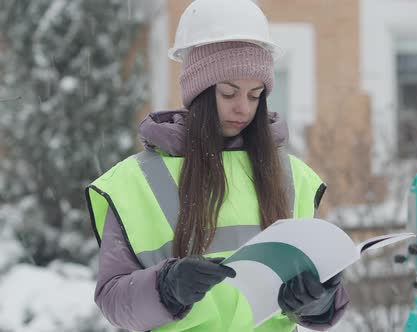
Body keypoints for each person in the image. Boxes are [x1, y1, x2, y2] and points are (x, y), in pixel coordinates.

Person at [84, 0, 350, 331]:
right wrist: (166, 288)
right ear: (199, 92)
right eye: (228, 93)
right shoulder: (131, 182)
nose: (243, 108)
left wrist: (318, 301)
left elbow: (321, 289)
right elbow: (114, 302)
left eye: (255, 95)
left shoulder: (292, 175)